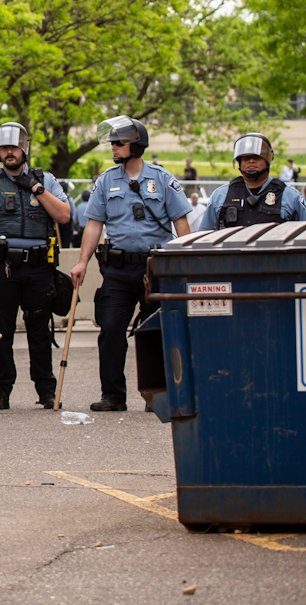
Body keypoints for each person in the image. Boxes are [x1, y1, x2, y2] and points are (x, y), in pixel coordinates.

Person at [71, 116, 191, 412]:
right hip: (118, 268)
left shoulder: (162, 178)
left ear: (135, 145)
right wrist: (82, 262)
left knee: (156, 332)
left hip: (156, 269)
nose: (112, 146)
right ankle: (113, 395)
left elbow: (182, 224)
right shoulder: (106, 181)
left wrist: (186, 264)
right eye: (111, 142)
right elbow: (93, 225)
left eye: (119, 142)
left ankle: (159, 395)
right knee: (110, 329)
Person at [0, 124, 73, 410]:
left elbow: (64, 215)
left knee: (40, 329)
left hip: (39, 267)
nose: (8, 153)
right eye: (3, 149)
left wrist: (36, 188)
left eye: (13, 148)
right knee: (1, 330)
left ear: (24, 149)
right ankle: (1, 391)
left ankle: (46, 390)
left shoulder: (45, 180)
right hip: (0, 267)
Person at [198, 133, 306, 231]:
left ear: (267, 160)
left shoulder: (290, 196)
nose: (251, 161)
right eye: (246, 158)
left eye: (257, 157)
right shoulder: (220, 196)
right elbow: (203, 238)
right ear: (239, 162)